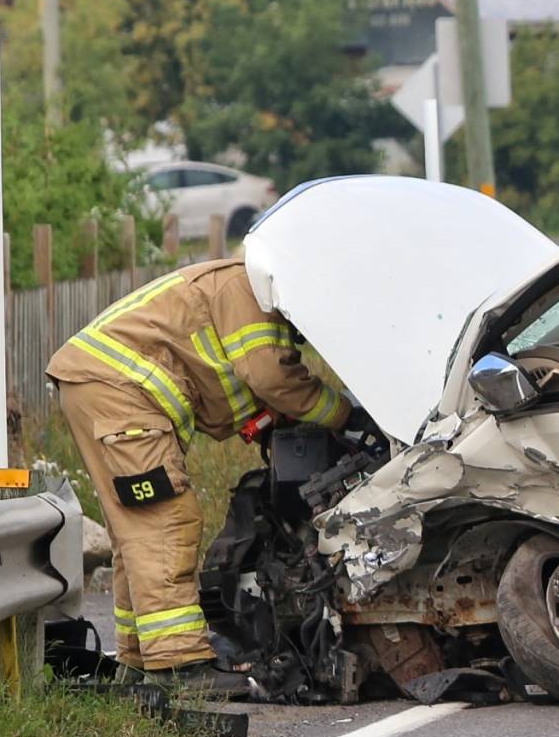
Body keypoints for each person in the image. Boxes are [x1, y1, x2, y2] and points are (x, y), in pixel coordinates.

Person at [47, 257, 352, 696]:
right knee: (166, 521)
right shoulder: (249, 295)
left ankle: (141, 658)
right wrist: (343, 415)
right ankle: (179, 665)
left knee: (137, 530)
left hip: (101, 387)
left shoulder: (240, 287)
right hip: (120, 393)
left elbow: (236, 382)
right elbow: (269, 375)